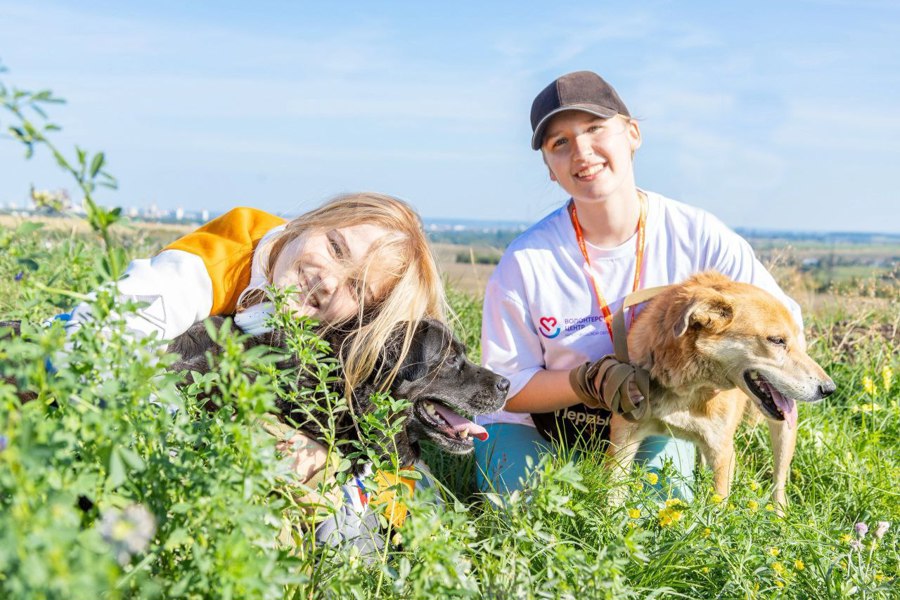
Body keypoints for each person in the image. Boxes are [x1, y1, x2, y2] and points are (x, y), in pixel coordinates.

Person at [475, 71, 802, 499]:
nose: (582, 152)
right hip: (537, 426)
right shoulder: (525, 262)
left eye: (595, 129)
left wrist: (724, 370)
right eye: (560, 143)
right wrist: (586, 382)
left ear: (632, 134)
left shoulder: (699, 236)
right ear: (549, 169)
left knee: (657, 522)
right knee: (530, 522)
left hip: (656, 422)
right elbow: (505, 390)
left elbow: (783, 327)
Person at [61, 191, 446, 549]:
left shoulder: (340, 327)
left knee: (384, 496)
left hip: (203, 410)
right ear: (309, 221)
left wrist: (331, 458)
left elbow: (373, 434)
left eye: (357, 288)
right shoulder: (229, 254)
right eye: (334, 247)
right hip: (117, 382)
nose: (328, 280)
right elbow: (95, 339)